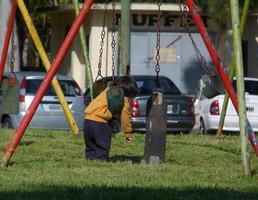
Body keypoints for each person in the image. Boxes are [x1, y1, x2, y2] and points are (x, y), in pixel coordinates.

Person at [83, 76, 138, 160]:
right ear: (129, 94)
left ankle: (90, 157)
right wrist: (128, 133)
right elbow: (126, 117)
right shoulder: (124, 98)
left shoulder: (108, 90)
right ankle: (101, 159)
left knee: (91, 143)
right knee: (103, 143)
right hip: (100, 122)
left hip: (87, 120)